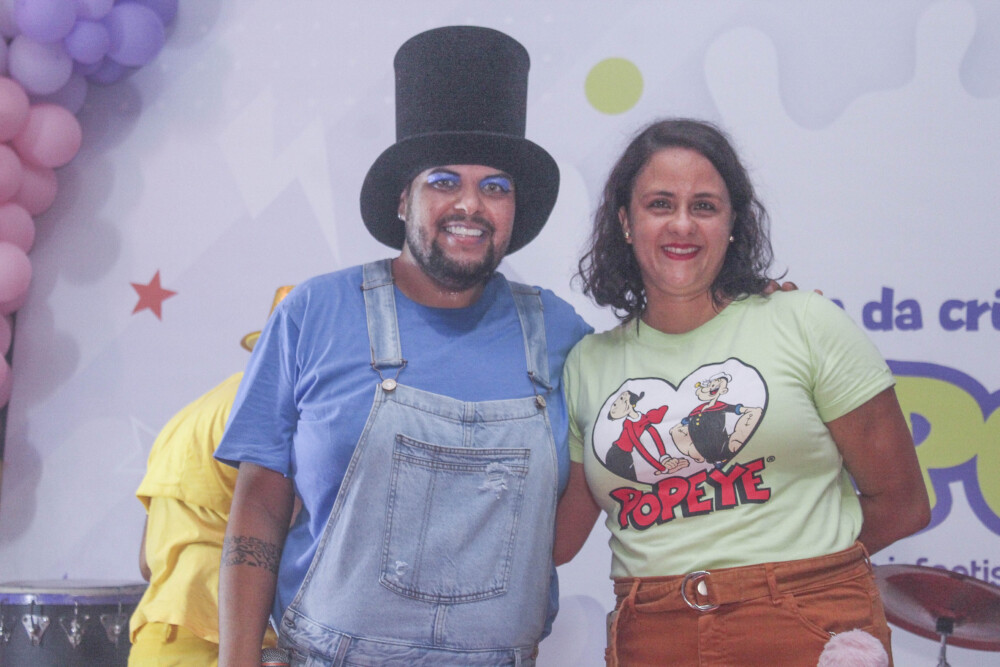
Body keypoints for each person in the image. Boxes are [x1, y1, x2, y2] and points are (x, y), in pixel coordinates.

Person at [214, 26, 592, 666]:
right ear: (402, 199)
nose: (471, 205)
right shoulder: (313, 313)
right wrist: (236, 659)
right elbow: (259, 504)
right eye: (443, 181)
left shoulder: (561, 336)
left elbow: (553, 539)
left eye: (495, 187)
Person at [553, 118, 930, 666]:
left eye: (705, 206)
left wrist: (795, 575)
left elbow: (904, 504)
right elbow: (558, 543)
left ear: (733, 223)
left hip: (809, 626)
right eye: (660, 204)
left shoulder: (804, 322)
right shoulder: (586, 364)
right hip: (652, 637)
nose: (683, 224)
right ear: (625, 222)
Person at [128, 287, 292, 666]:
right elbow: (302, 542)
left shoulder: (189, 416)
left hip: (158, 641)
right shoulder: (273, 414)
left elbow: (147, 562)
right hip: (227, 643)